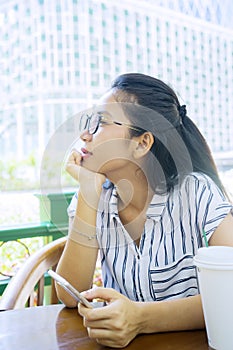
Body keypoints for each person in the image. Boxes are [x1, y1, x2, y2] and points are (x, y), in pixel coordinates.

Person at [56, 73, 233, 348]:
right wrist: (88, 193)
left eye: (101, 122)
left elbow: (230, 293)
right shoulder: (93, 197)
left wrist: (141, 319)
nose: (85, 135)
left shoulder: (196, 193)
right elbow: (70, 294)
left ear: (141, 143)